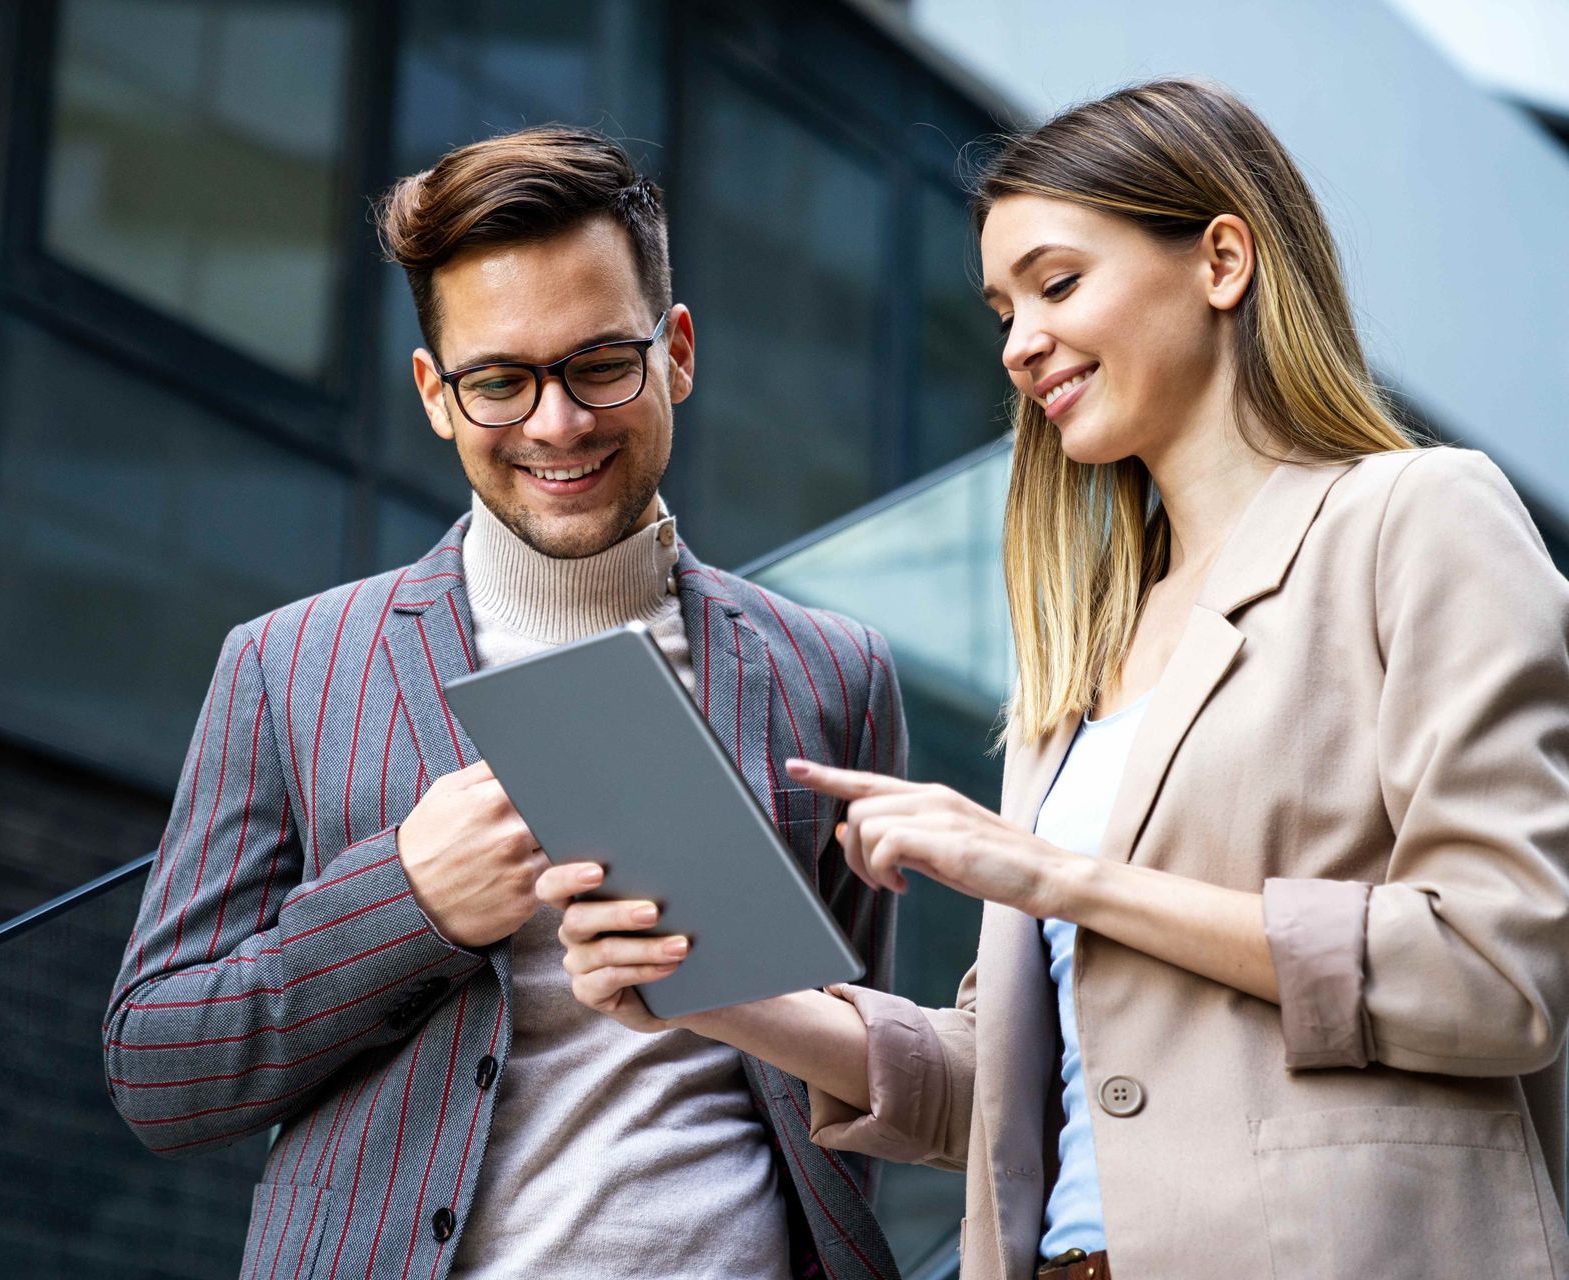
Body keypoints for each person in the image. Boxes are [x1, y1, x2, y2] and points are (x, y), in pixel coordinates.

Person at [541, 79, 1569, 1279]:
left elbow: (1498, 971)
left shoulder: (1416, 518)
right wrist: (713, 994)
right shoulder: (1087, 654)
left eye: (1058, 283)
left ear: (1223, 258)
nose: (1020, 341)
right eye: (1002, 306)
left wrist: (1052, 874)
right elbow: (1009, 1075)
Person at [101, 126, 906, 1280]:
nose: (558, 422)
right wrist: (407, 903)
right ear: (436, 394)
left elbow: (856, 1071)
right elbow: (158, 1069)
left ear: (677, 351)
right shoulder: (288, 663)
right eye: (500, 380)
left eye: (600, 364)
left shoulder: (833, 674)